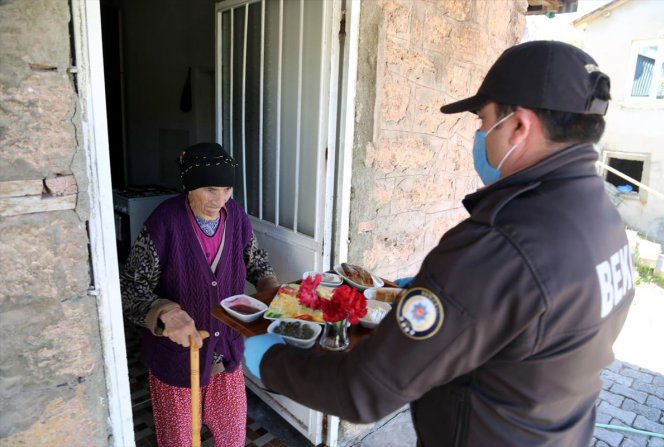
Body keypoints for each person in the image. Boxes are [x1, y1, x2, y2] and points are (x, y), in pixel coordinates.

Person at [243, 41, 635, 446]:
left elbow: (364, 389)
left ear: (519, 126)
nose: (480, 134)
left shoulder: (498, 243)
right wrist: (443, 294)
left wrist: (267, 358)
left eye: (483, 121)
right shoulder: (601, 219)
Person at [121, 142, 279, 447]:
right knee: (179, 440)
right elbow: (130, 288)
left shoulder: (235, 216)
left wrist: (271, 289)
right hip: (179, 359)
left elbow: (255, 259)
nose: (220, 199)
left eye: (226, 188)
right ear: (189, 188)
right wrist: (166, 313)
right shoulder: (164, 222)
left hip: (227, 351)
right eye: (209, 189)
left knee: (232, 436)